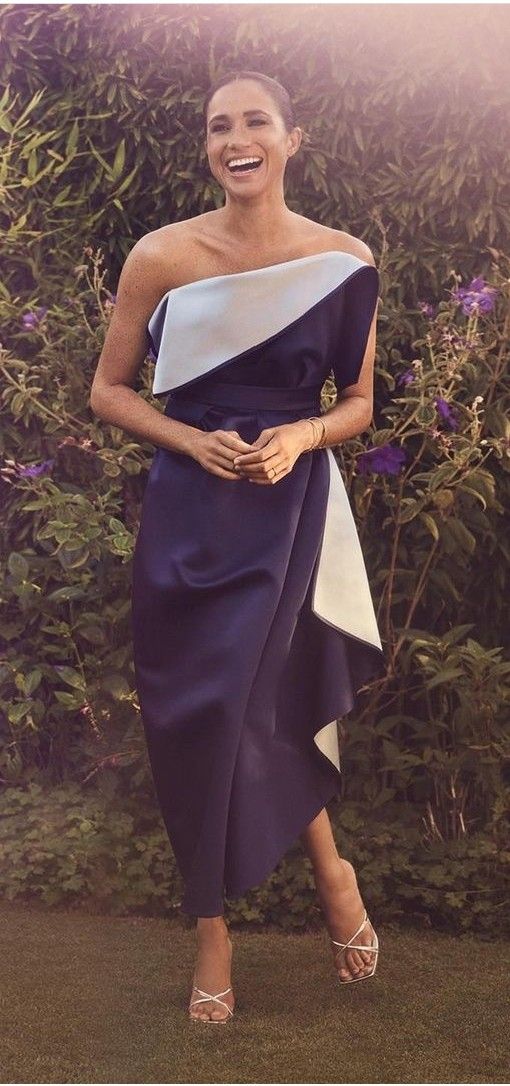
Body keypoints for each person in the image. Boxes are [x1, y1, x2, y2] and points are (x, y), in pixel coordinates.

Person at [90, 69, 385, 1024]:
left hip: (286, 505)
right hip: (189, 513)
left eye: (256, 121)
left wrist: (300, 436)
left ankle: (326, 880)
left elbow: (359, 404)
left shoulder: (345, 261)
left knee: (261, 701)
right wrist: (188, 437)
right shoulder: (161, 256)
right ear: (209, 147)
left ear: (293, 139)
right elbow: (111, 391)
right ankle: (215, 924)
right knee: (194, 717)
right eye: (220, 126)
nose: (237, 138)